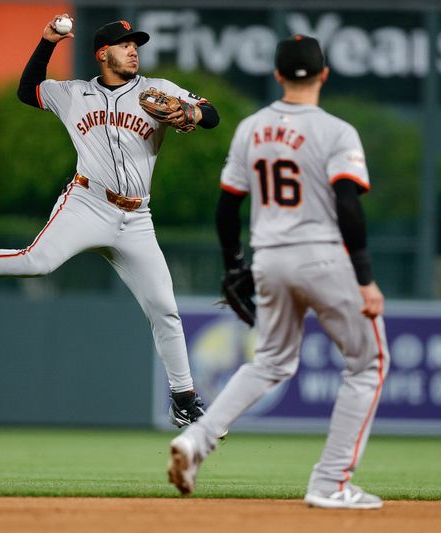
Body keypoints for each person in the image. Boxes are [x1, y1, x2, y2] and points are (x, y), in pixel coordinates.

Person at [0, 15, 222, 430]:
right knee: (36, 262)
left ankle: (184, 399)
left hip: (137, 216)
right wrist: (47, 42)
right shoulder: (73, 93)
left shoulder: (157, 91)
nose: (133, 50)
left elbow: (211, 114)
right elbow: (26, 90)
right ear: (102, 53)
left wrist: (192, 113)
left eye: (136, 44)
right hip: (87, 204)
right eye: (124, 44)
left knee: (165, 307)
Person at [167, 35, 391, 510]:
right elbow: (348, 205)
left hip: (269, 258)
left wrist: (233, 265)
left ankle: (196, 442)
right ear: (324, 75)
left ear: (278, 76)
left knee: (269, 363)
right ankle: (329, 482)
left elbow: (228, 205)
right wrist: (366, 278)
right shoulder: (336, 131)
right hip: (323, 256)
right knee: (368, 364)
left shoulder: (251, 128)